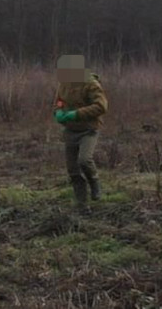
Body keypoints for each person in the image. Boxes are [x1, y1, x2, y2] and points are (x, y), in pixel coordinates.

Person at [53, 54, 108, 214]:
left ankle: (95, 183)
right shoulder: (63, 85)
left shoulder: (91, 84)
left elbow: (101, 106)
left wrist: (76, 114)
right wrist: (58, 112)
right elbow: (59, 102)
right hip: (70, 130)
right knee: (73, 171)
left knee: (84, 160)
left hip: (88, 129)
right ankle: (82, 205)